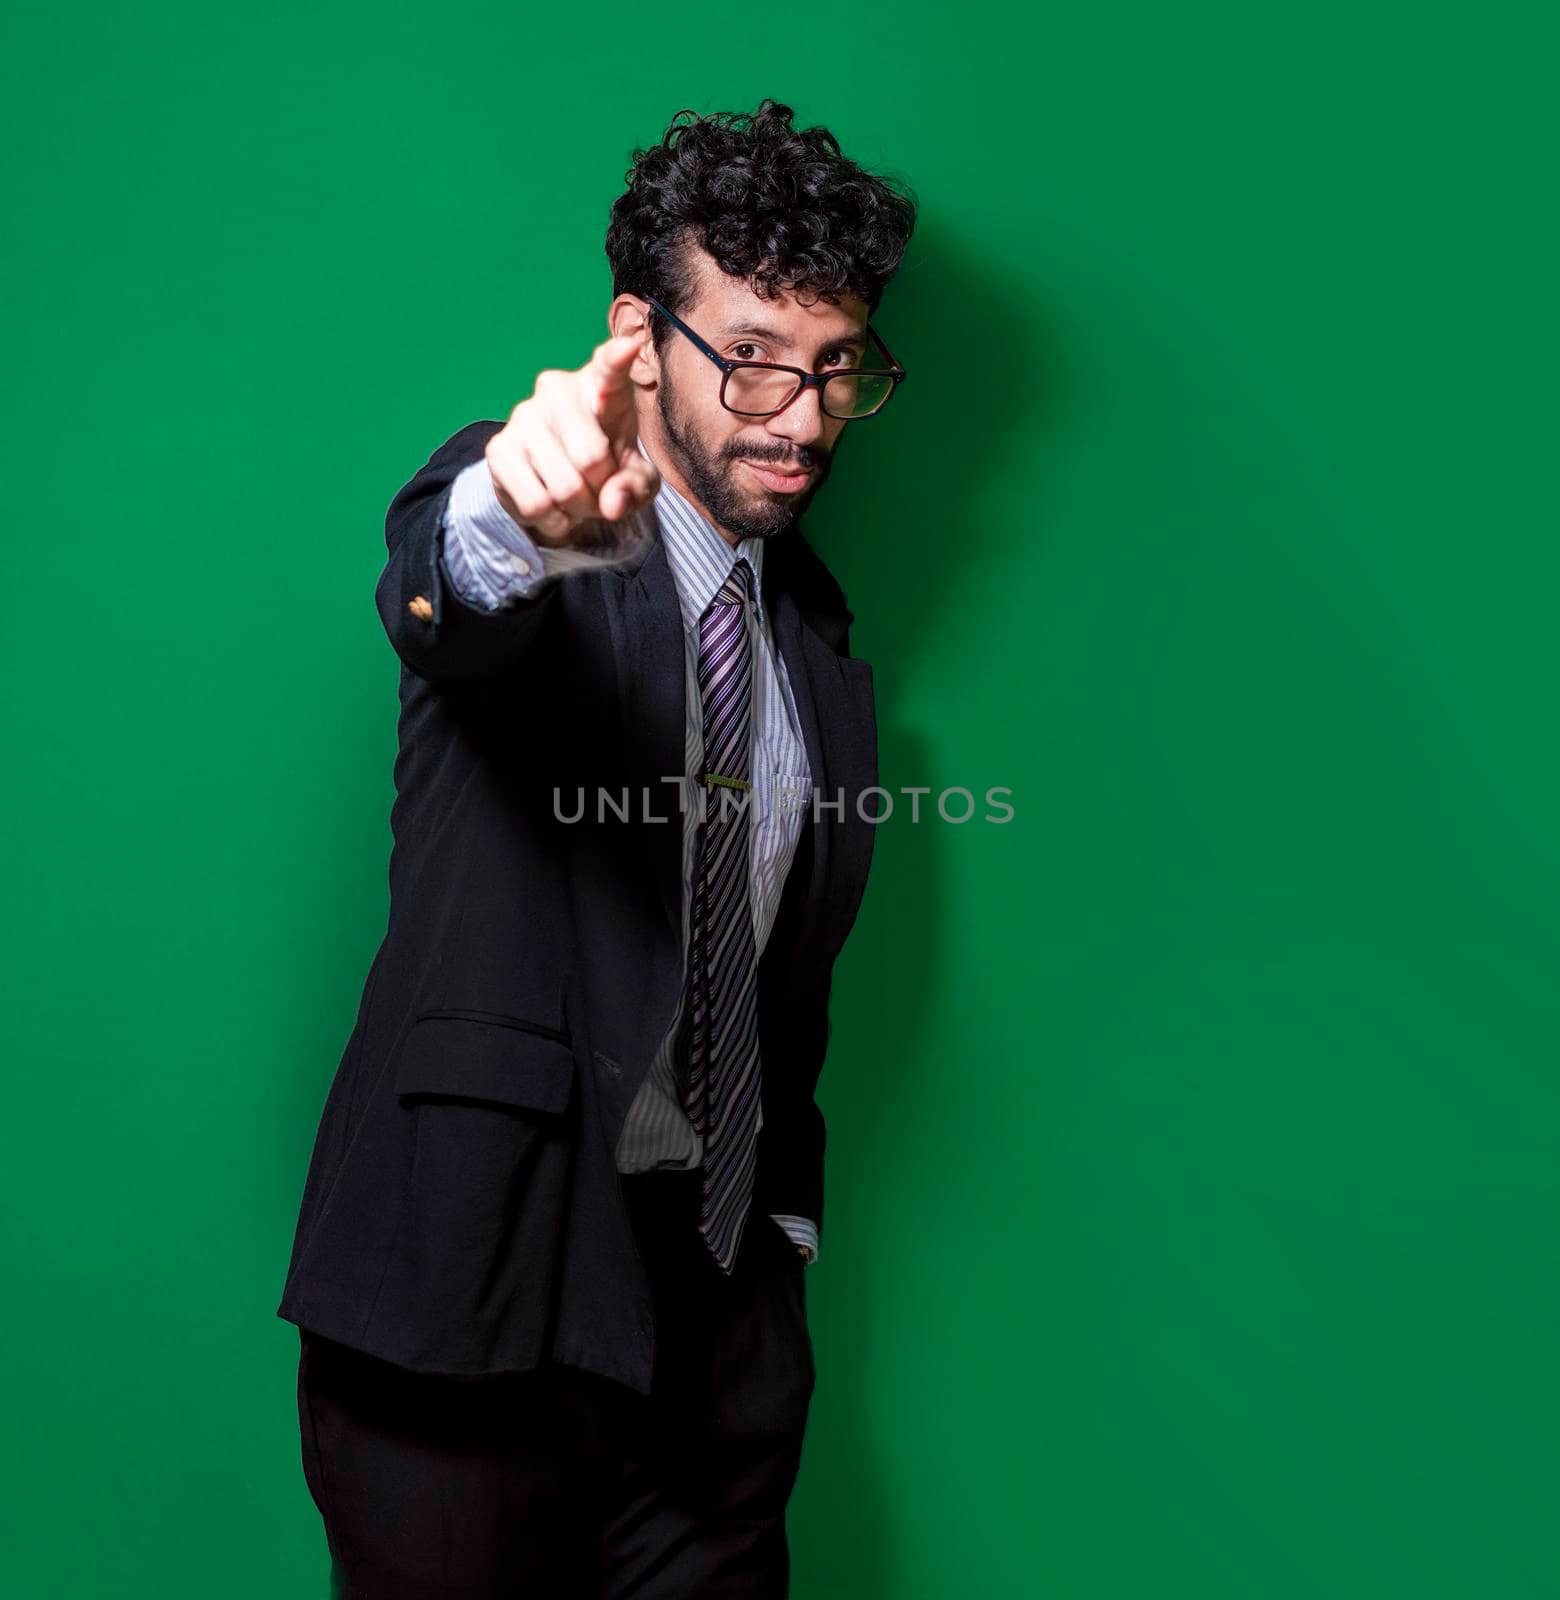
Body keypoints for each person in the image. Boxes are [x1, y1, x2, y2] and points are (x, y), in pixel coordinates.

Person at [277, 97, 917, 1598]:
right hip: (470, 1302)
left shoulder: (814, 645)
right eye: (754, 354)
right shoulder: (548, 526)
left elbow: (780, 973)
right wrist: (516, 499)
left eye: (837, 367)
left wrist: (786, 1232)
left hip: (715, 1338)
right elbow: (450, 587)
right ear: (639, 334)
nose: (805, 413)